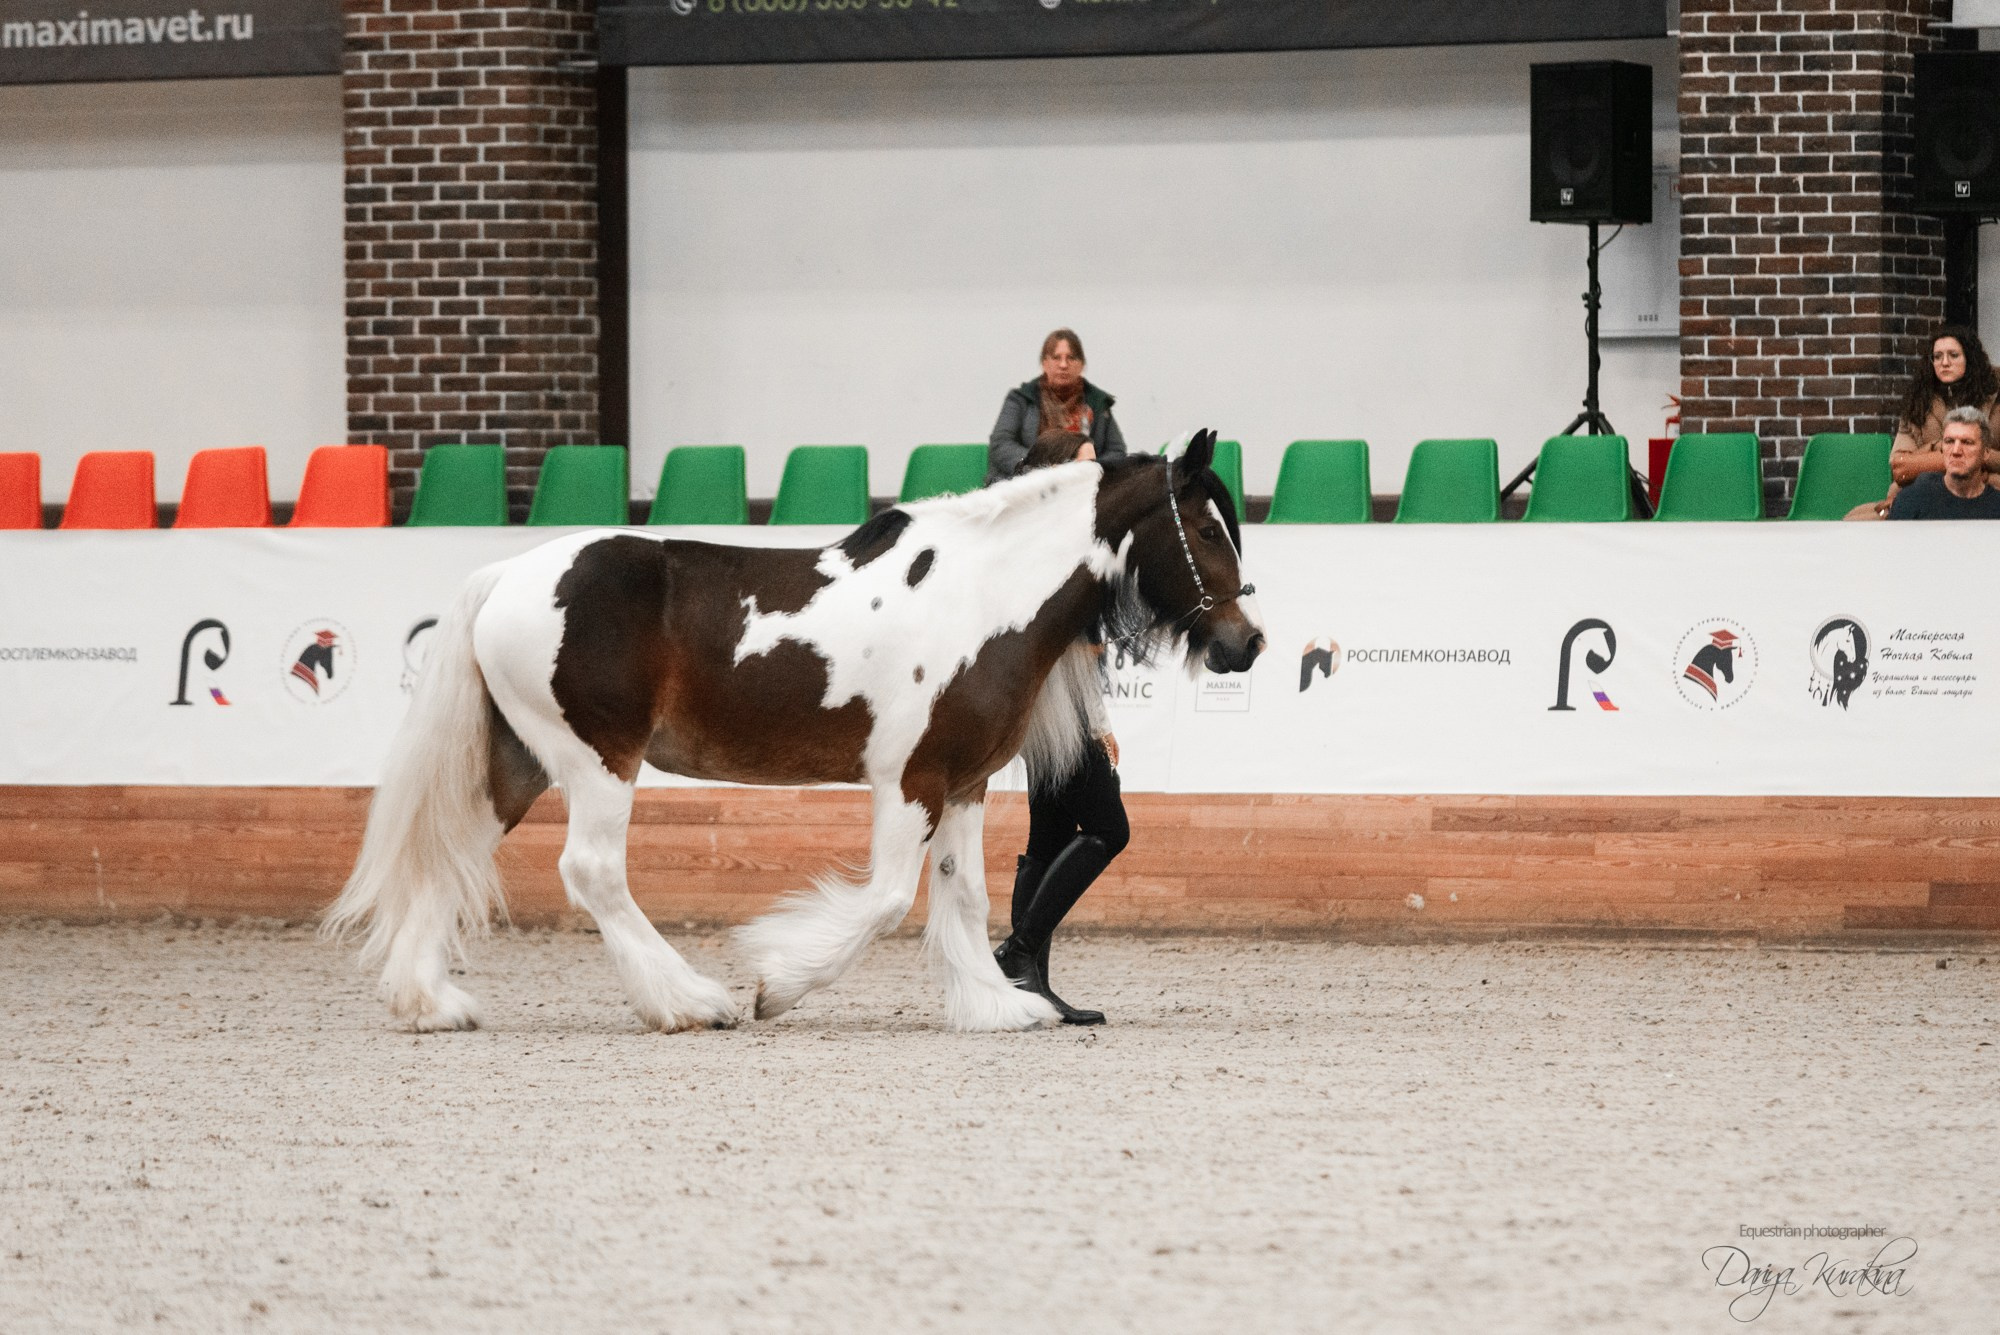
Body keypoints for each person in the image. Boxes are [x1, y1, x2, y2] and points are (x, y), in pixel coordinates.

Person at [990, 427, 1127, 1025]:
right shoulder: (1059, 548)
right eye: (1083, 467)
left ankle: (1029, 984)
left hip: (1041, 707)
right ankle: (1018, 955)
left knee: (1047, 839)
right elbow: (1076, 649)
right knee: (1107, 828)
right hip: (1057, 709)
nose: (1094, 478)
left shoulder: (1036, 541)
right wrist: (1095, 721)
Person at [1850, 325, 2000, 518]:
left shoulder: (1995, 400)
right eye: (1937, 357)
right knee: (1855, 523)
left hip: (1986, 495)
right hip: (1924, 494)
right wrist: (1963, 458)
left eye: (1953, 355)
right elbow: (1901, 467)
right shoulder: (1918, 401)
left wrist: (1974, 469)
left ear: (1970, 358)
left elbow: (1914, 465)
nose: (1944, 363)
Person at [986, 329, 1128, 483]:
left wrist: (1088, 469)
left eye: (1071, 358)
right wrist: (1038, 468)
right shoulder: (1021, 399)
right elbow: (1001, 444)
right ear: (1044, 363)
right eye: (1056, 358)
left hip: (1083, 486)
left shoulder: (1098, 402)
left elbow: (1117, 451)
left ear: (1082, 365)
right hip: (1027, 484)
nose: (1063, 365)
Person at [1886, 407, 2000, 519]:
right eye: (1949, 441)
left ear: (1986, 452)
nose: (1956, 451)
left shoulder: (1996, 505)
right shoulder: (1911, 500)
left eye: (1967, 442)